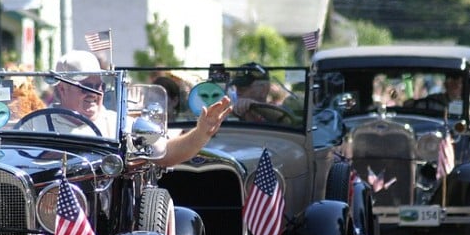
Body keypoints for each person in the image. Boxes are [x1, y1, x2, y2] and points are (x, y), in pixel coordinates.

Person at [44, 50, 231, 167]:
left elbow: (165, 153)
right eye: (85, 86)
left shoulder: (117, 123)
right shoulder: (35, 125)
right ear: (62, 89)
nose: (94, 93)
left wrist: (201, 133)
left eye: (99, 86)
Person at [230, 63, 299, 124]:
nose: (238, 92)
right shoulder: (233, 112)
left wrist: (254, 105)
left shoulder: (277, 112)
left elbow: (287, 121)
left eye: (243, 87)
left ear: (263, 89)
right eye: (237, 87)